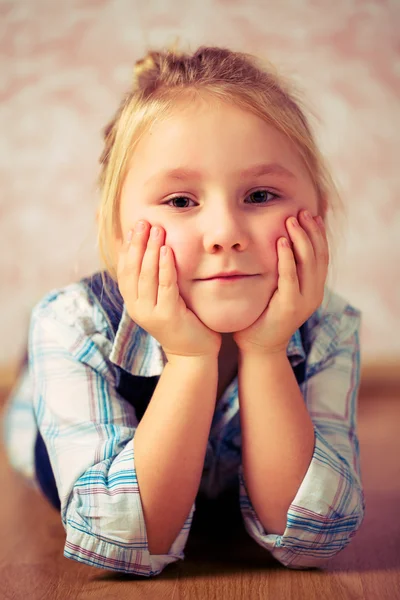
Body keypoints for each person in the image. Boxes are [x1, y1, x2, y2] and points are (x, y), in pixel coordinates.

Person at [2, 45, 365, 577]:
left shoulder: (329, 327)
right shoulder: (73, 325)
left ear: (319, 212)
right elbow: (121, 540)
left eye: (261, 195)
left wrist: (265, 350)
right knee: (31, 408)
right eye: (180, 201)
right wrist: (191, 359)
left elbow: (313, 541)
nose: (225, 235)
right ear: (118, 229)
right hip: (56, 404)